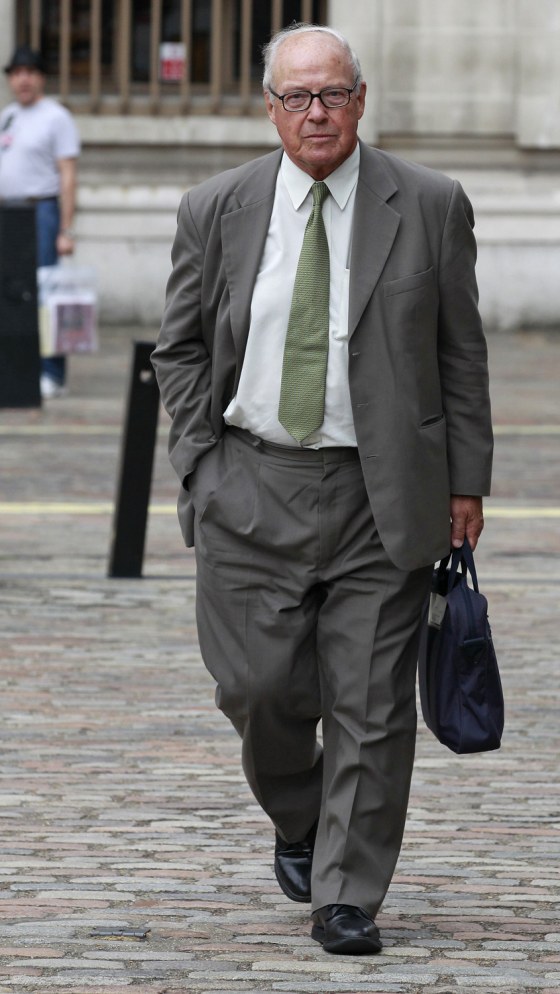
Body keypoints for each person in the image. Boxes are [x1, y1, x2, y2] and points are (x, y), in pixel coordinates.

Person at [152, 23, 493, 956]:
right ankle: (301, 814)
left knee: (372, 707)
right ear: (270, 108)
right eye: (297, 96)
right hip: (249, 483)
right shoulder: (215, 207)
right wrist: (201, 463)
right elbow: (180, 348)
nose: (316, 112)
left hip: (382, 494)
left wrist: (467, 480)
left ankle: (348, 894)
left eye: (333, 94)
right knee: (256, 689)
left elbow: (461, 354)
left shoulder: (429, 203)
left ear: (360, 101)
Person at [0, 44, 80, 399]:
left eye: (30, 73)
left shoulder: (56, 117)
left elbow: (68, 175)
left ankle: (52, 372)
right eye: (17, 73)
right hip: (8, 213)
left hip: (41, 212)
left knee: (47, 293)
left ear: (41, 78)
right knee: (12, 294)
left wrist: (65, 229)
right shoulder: (8, 116)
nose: (23, 80)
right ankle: (18, 366)